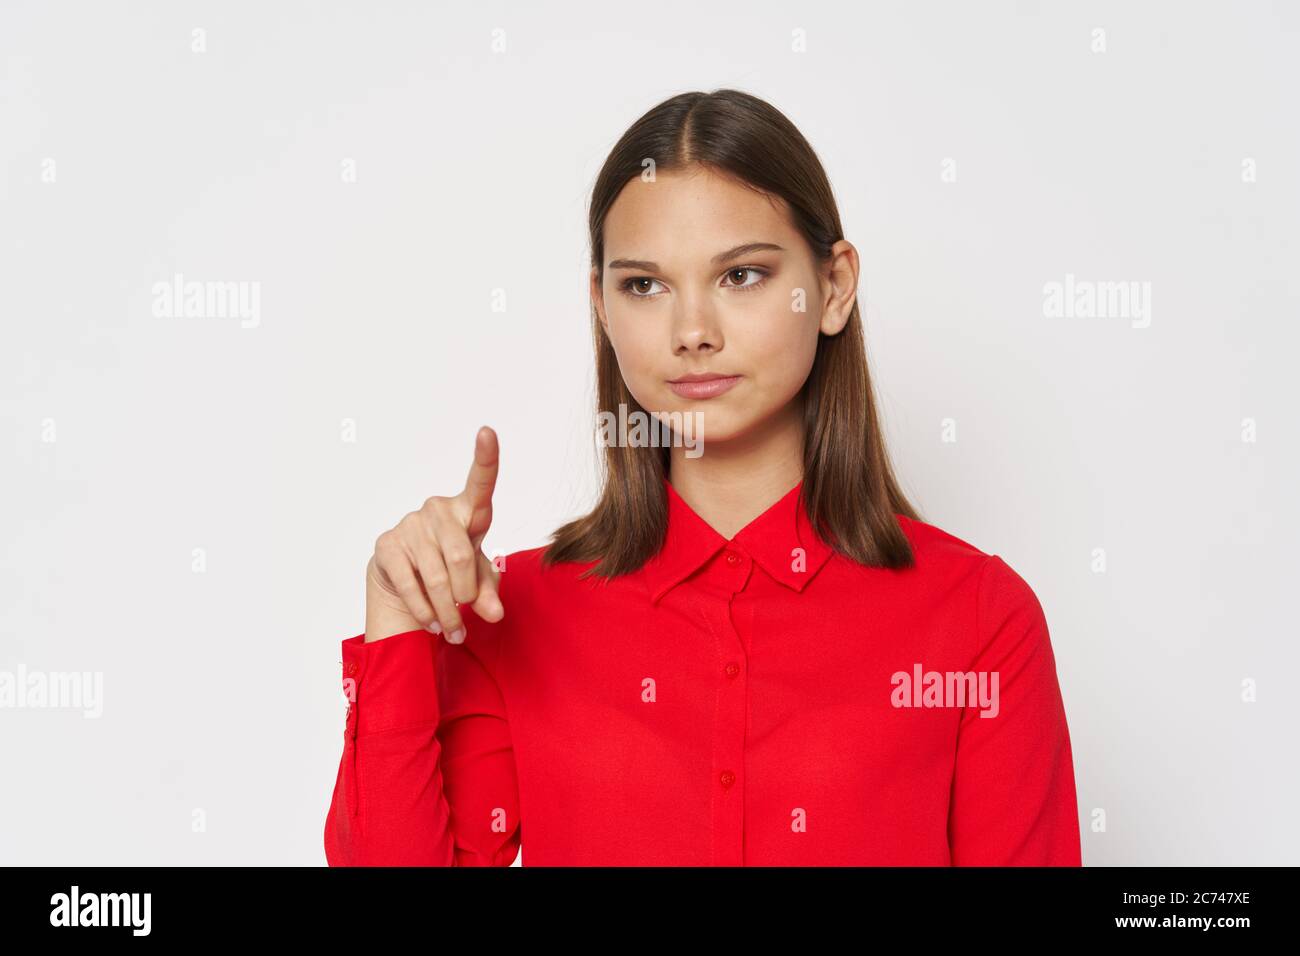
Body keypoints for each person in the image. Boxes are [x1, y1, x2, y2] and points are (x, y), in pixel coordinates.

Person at [323, 89, 1082, 866]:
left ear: (833, 286)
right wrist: (397, 622)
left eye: (743, 275)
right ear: (602, 308)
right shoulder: (513, 618)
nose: (692, 333)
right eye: (645, 286)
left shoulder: (980, 622)